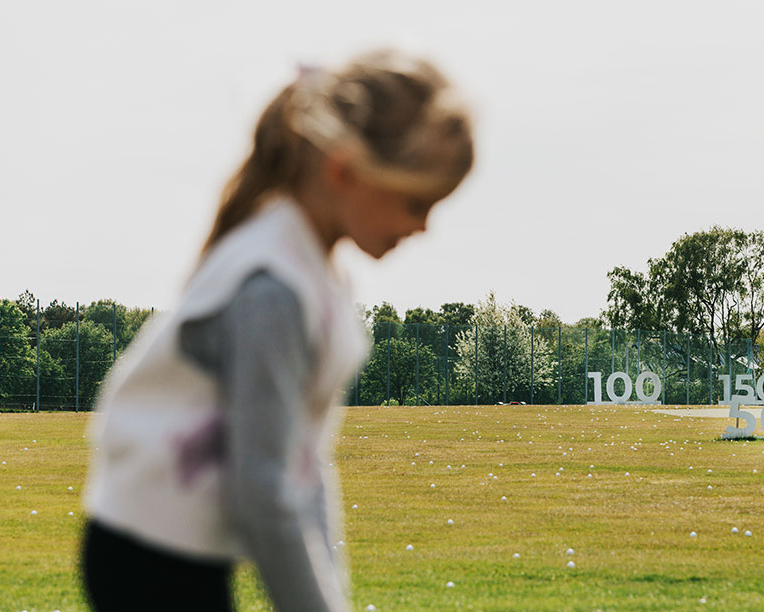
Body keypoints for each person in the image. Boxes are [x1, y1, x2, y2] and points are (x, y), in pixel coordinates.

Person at [80, 49, 474, 612]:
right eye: (416, 201)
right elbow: (263, 493)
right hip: (149, 552)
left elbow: (304, 467)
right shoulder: (275, 290)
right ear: (343, 171)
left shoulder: (317, 276)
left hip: (172, 544)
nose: (423, 226)